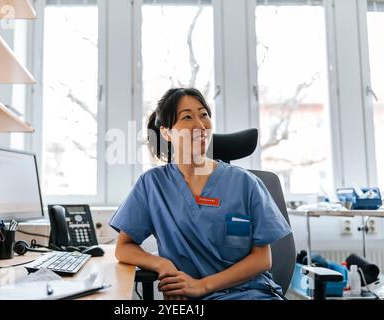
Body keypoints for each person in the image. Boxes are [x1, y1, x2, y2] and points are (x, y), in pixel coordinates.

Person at [109, 88, 292, 300]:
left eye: (203, 114)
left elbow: (263, 259)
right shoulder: (152, 185)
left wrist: (202, 286)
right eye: (187, 117)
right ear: (167, 132)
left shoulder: (246, 183)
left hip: (250, 294)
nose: (200, 125)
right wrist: (162, 264)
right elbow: (123, 247)